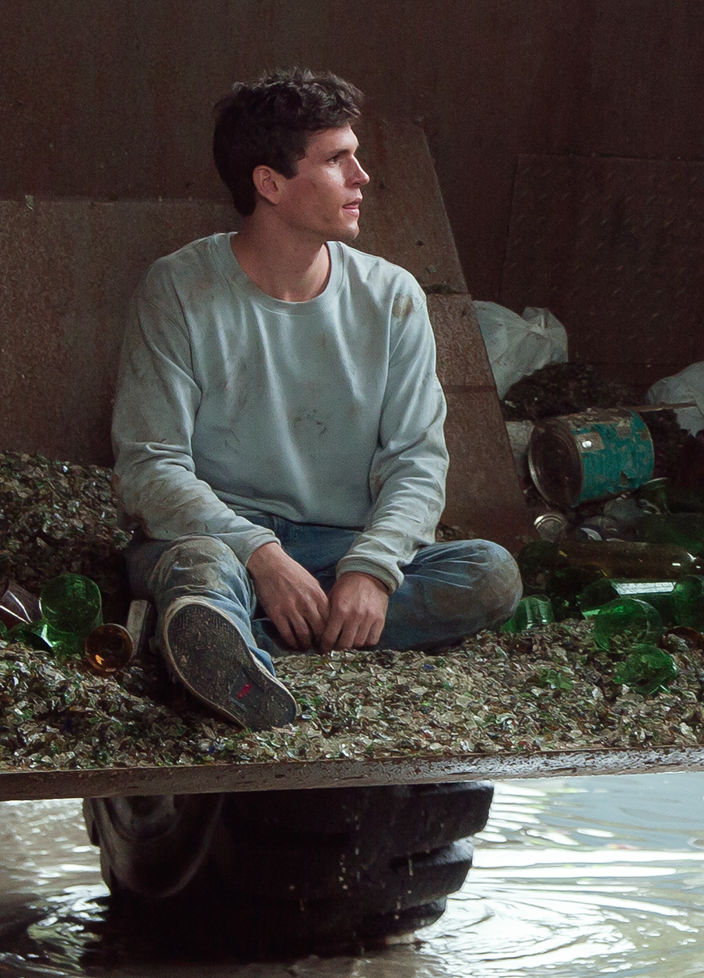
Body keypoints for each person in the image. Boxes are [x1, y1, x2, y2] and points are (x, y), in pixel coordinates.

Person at [113, 68, 521, 730]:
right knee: (198, 570)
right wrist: (260, 555)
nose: (362, 178)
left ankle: (216, 650)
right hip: (218, 544)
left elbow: (416, 462)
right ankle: (220, 629)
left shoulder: (391, 297)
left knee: (490, 574)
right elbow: (149, 468)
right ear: (269, 183)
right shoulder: (179, 289)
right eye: (337, 160)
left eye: (355, 156)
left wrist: (372, 569)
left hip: (337, 551)